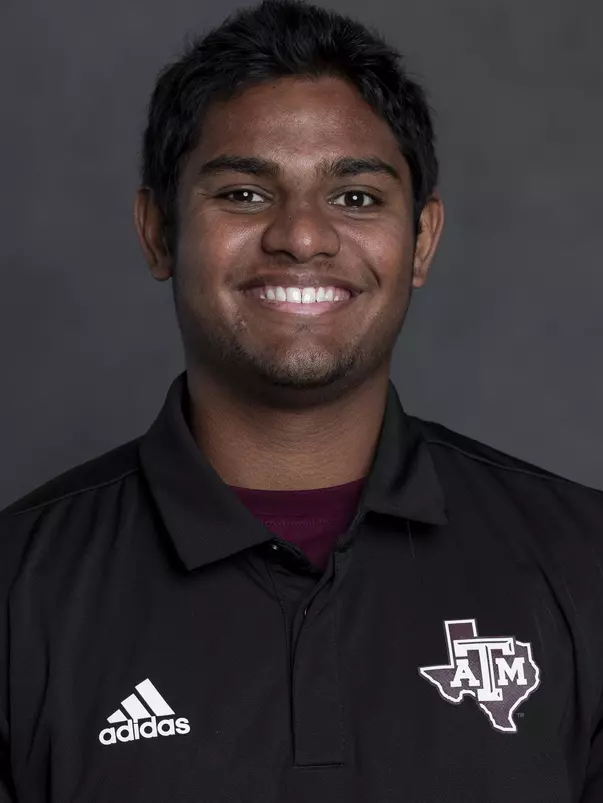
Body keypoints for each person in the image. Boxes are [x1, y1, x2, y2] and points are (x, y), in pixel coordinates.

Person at [1, 0, 603, 800]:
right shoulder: (20, 588)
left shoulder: (582, 560)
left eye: (355, 198)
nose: (302, 236)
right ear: (157, 232)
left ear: (419, 241)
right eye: (245, 194)